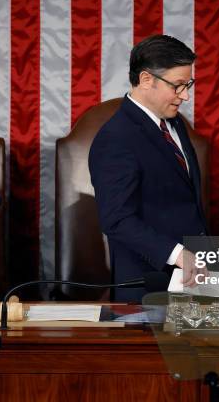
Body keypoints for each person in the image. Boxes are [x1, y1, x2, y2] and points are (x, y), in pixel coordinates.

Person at [89, 35, 208, 302]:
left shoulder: (174, 123)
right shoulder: (116, 138)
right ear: (146, 80)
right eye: (178, 86)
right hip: (149, 286)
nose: (186, 95)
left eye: (188, 85)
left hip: (194, 278)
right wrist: (178, 254)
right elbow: (116, 219)